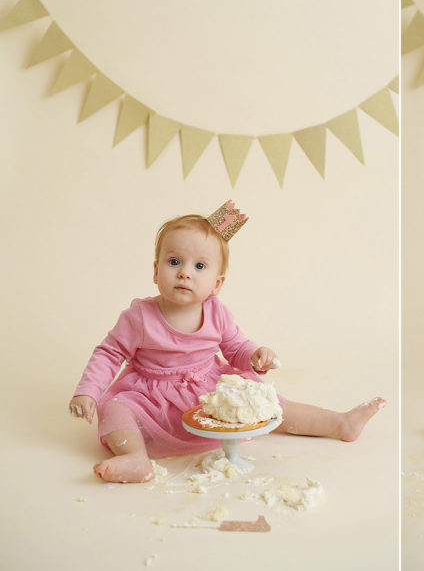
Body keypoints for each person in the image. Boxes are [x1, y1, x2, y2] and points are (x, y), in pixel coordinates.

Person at [69, 200, 385, 484]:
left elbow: (236, 348)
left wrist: (254, 356)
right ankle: (135, 458)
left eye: (200, 266)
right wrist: (88, 391)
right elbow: (109, 354)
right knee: (113, 409)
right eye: (174, 261)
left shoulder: (216, 312)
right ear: (155, 270)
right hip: (151, 398)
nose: (185, 274)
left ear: (217, 284)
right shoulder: (139, 316)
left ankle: (339, 423)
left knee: (272, 405)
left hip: (210, 393)